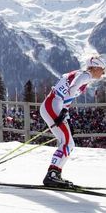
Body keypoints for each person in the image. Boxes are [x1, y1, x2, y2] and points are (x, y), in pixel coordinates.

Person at [40, 55, 105, 188]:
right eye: (102, 69)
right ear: (96, 67)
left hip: (52, 105)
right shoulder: (85, 75)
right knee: (68, 143)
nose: (103, 72)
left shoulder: (83, 75)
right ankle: (52, 175)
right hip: (53, 105)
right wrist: (64, 110)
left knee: (68, 142)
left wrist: (67, 118)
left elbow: (67, 92)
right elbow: (72, 89)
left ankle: (55, 173)